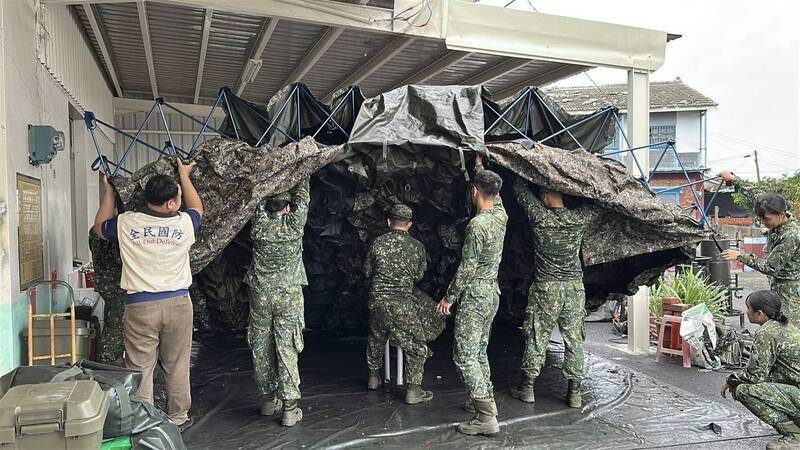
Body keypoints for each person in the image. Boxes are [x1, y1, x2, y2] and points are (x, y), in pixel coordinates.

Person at [94, 159, 203, 432]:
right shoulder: (183, 224)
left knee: (140, 367)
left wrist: (108, 193)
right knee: (177, 364)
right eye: (177, 197)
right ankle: (178, 417)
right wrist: (185, 177)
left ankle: (144, 422)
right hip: (178, 303)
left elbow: (100, 226)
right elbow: (197, 208)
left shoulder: (126, 223)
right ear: (171, 204)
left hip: (140, 305)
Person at [437, 154, 507, 436]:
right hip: (492, 294)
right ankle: (484, 401)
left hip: (475, 296)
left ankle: (486, 417)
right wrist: (479, 166)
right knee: (479, 351)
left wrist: (449, 298)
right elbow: (495, 194)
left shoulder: (477, 226)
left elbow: (467, 268)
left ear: (474, 192)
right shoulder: (500, 216)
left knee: (465, 355)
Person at [511, 178, 597, 408]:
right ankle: (575, 393)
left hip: (546, 288)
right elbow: (599, 201)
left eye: (542, 194)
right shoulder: (578, 219)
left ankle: (527, 388)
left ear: (547, 194)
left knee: (537, 336)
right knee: (574, 340)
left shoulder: (541, 218)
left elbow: (519, 191)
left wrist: (530, 171)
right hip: (573, 289)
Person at [245, 177, 310, 427]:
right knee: (287, 347)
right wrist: (301, 174)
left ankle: (267, 400)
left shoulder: (259, 225)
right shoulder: (294, 226)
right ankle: (290, 409)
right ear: (288, 208)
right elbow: (303, 197)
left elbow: (259, 196)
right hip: (288, 295)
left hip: (260, 293)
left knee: (260, 345)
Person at [364, 204, 433, 404]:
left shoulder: (377, 243)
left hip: (377, 301)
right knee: (417, 345)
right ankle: (413, 390)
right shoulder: (417, 246)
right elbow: (419, 276)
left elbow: (367, 271)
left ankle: (373, 378)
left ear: (388, 222)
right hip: (401, 303)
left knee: (376, 337)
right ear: (409, 224)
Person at [721, 290, 800, 449]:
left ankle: (795, 437)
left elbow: (755, 375)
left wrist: (731, 381)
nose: (746, 311)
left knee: (744, 390)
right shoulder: (788, 326)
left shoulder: (766, 332)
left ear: (759, 313)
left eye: (748, 308)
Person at [719, 170, 800, 322]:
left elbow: (769, 267)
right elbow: (755, 194)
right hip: (776, 285)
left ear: (781, 214)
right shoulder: (772, 206)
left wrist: (740, 256)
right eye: (761, 219)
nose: (764, 223)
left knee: (789, 327)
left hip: (790, 290)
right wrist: (734, 179)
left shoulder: (791, 236)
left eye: (767, 219)